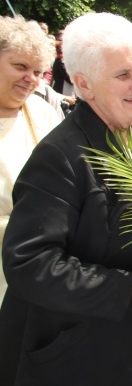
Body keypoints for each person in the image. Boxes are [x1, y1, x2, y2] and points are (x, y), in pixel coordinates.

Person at [0, 13, 132, 386]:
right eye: (123, 74)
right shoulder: (59, 156)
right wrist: (128, 286)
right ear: (84, 84)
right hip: (75, 366)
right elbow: (28, 266)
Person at [0, 16, 60, 305]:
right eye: (20, 66)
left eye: (38, 71)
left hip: (33, 260)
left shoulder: (44, 114)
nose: (31, 79)